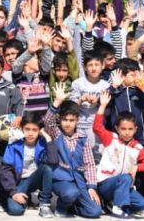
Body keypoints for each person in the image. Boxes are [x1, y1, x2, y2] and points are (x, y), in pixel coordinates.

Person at [43, 85, 102, 219]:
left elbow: (89, 164)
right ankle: (61, 208)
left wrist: (91, 186)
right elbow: (47, 121)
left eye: (71, 120)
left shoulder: (82, 138)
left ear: (77, 120)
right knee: (70, 192)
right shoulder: (56, 133)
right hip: (61, 180)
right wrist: (57, 101)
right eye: (64, 120)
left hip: (79, 182)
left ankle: (72, 206)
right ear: (59, 119)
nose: (68, 124)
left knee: (95, 211)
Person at [94, 92, 144, 218]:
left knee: (143, 204)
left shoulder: (137, 147)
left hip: (123, 187)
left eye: (130, 129)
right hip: (106, 183)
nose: (127, 133)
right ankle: (117, 208)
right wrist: (103, 105)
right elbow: (97, 127)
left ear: (135, 129)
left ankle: (112, 203)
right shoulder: (111, 138)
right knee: (126, 177)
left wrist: (137, 167)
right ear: (117, 128)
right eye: (123, 129)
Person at [0, 112, 55, 218]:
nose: (30, 133)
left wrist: (48, 137)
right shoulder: (14, 144)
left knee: (47, 169)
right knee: (15, 210)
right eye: (27, 129)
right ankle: (23, 198)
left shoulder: (42, 143)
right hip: (19, 183)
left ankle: (44, 204)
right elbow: (6, 170)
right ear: (21, 129)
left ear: (39, 131)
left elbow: (53, 161)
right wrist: (13, 193)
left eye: (35, 130)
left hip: (34, 179)